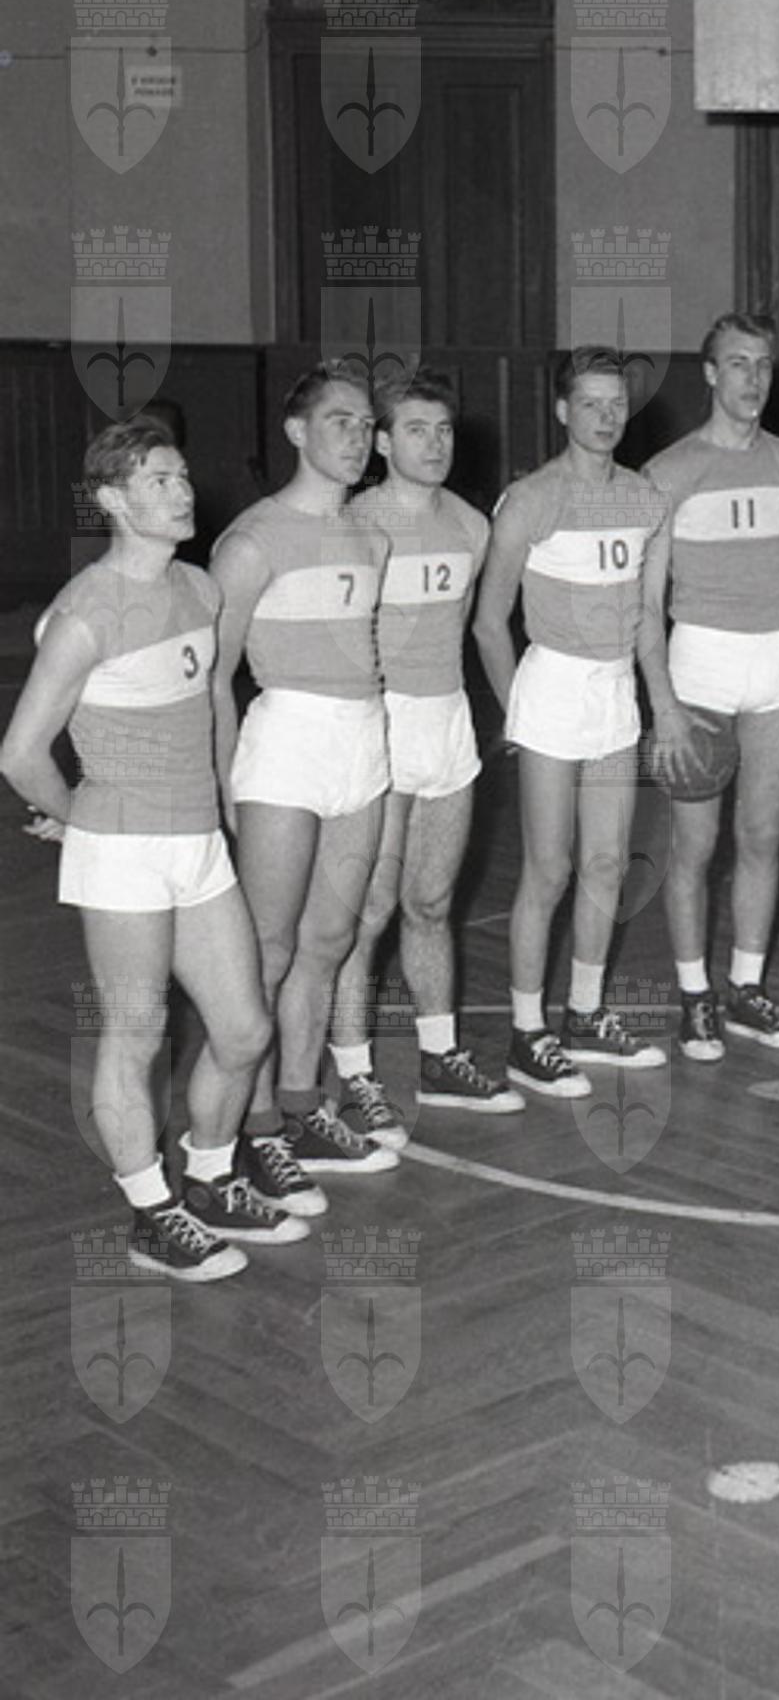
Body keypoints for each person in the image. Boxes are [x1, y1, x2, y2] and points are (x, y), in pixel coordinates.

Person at [1, 418, 305, 1277]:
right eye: (160, 482)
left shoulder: (200, 589)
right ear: (112, 500)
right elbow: (19, 754)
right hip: (124, 853)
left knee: (243, 1028)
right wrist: (80, 817)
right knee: (136, 1035)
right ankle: (151, 1213)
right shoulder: (83, 615)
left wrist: (228, 806)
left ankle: (208, 1179)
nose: (182, 493)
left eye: (182, 477)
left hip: (197, 843)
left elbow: (210, 708)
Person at [210, 368, 400, 1216]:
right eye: (338, 421)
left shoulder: (372, 539)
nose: (357, 438)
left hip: (362, 740)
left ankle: (298, 1105)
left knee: (330, 938)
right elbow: (213, 677)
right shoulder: (251, 542)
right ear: (296, 431)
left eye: (364, 423)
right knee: (270, 947)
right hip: (286, 742)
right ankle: (250, 1131)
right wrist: (223, 786)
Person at [473, 350, 669, 1095]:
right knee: (548, 868)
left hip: (614, 693)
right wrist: (519, 712)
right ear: (562, 411)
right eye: (590, 403)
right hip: (551, 688)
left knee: (607, 864)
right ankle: (528, 1033)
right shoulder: (530, 499)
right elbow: (489, 622)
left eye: (616, 403)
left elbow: (648, 614)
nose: (606, 416)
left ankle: (585, 1015)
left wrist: (661, 703)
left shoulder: (646, 499)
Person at [330, 371, 522, 1122]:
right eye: (416, 430)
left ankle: (441, 1058)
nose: (434, 444)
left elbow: (470, 627)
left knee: (432, 901)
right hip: (380, 725)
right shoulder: (353, 525)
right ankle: (353, 1074)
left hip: (448, 723)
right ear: (381, 442)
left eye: (443, 430)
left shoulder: (472, 526)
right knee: (368, 909)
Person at [638, 314, 779, 1061]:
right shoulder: (669, 472)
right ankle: (695, 997)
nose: (753, 378)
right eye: (738, 364)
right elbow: (646, 602)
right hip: (702, 671)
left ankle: (747, 988)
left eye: (763, 364)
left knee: (762, 837)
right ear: (711, 374)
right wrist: (662, 702)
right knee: (695, 845)